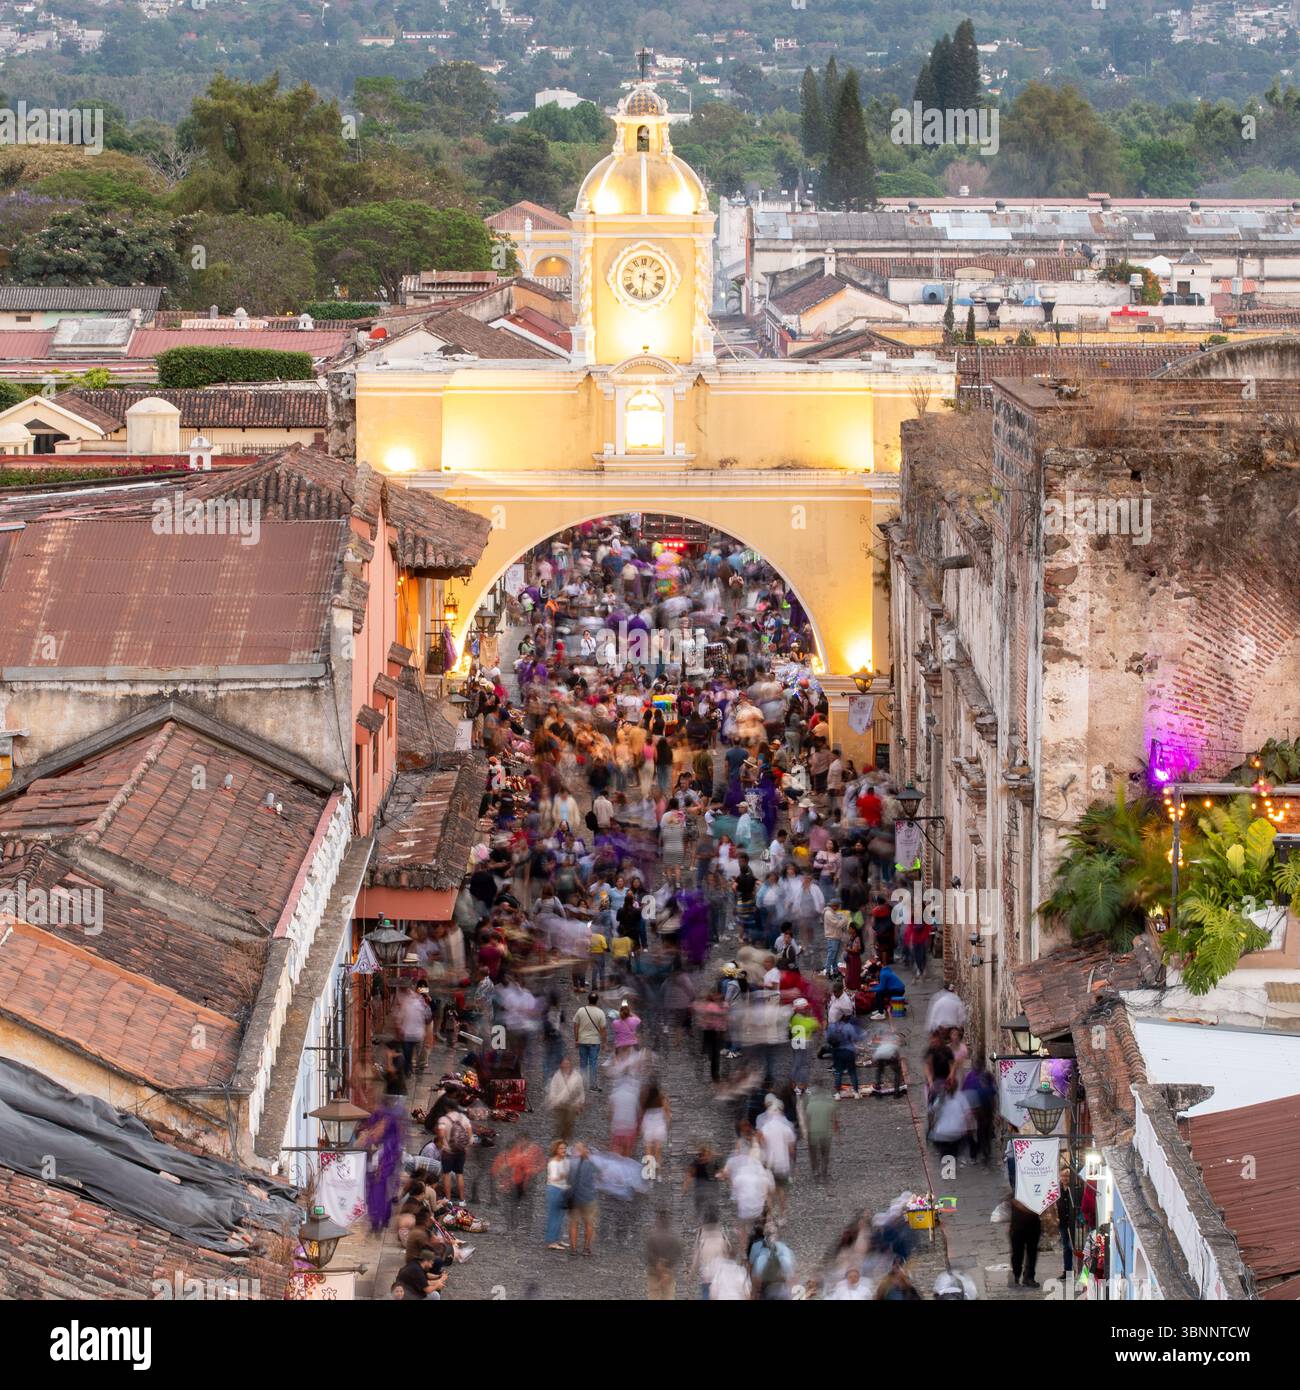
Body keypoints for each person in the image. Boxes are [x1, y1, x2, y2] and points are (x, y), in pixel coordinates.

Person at [756, 1092, 797, 1222]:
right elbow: (791, 1150)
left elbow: (761, 1145)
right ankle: (783, 1215)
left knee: (769, 1192)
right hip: (783, 1164)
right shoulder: (786, 1128)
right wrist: (792, 1164)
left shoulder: (765, 1128)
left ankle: (770, 1216)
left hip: (770, 1163)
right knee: (782, 1191)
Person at [567, 1141, 599, 1256]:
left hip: (574, 1198)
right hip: (588, 1199)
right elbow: (599, 1176)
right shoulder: (591, 1163)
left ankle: (573, 1249)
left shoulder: (572, 1163)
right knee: (589, 1224)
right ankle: (586, 1248)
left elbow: (568, 1179)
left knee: (573, 1223)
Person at [645, 1208, 683, 1300]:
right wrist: (666, 1264)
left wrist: (657, 1263)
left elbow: (648, 1255)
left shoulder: (651, 1236)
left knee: (653, 1294)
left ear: (658, 1220)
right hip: (668, 1272)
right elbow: (676, 1254)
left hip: (653, 1271)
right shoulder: (675, 1238)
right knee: (668, 1295)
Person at [573, 992, 607, 1092]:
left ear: (588, 999)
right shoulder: (600, 1012)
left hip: (582, 1040)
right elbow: (603, 1029)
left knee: (583, 1063)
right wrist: (604, 1042)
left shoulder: (581, 1010)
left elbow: (575, 1025)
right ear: (597, 1001)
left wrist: (576, 1039)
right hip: (594, 1042)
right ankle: (593, 1086)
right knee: (593, 1064)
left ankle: (582, 1084)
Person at [803, 1080, 837, 1182]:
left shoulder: (809, 1101)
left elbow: (806, 1118)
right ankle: (824, 1172)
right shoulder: (829, 1098)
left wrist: (805, 1131)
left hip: (813, 1132)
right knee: (825, 1154)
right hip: (826, 1131)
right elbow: (834, 1115)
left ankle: (815, 1171)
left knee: (813, 1153)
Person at [546, 1055, 585, 1142]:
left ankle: (567, 1141)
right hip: (559, 1104)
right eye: (564, 1063)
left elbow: (581, 1091)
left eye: (567, 1063)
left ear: (571, 1064)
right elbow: (553, 1088)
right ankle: (558, 1141)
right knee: (559, 1123)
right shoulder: (557, 1076)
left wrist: (580, 1102)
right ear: (561, 1065)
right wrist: (552, 1098)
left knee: (569, 1124)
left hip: (572, 1105)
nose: (566, 1065)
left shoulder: (576, 1076)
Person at [1009, 1196, 1042, 1289]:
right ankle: (1016, 1274)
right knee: (1017, 1253)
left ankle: (1029, 1277)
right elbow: (1010, 1200)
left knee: (1032, 1252)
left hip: (1033, 1224)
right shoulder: (1016, 1189)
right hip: (1017, 1226)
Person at [544, 1140, 570, 1249]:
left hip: (563, 1189)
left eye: (564, 1148)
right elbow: (554, 1178)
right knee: (554, 1216)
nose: (563, 1150)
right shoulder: (553, 1163)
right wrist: (565, 1175)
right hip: (555, 1189)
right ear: (556, 1150)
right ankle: (551, 1241)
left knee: (560, 1216)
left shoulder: (565, 1161)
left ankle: (557, 1239)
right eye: (561, 1148)